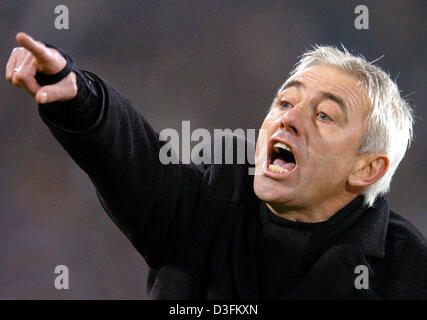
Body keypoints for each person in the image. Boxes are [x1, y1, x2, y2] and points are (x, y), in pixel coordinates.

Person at [6, 32, 427, 299]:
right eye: (285, 101)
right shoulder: (206, 204)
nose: (289, 118)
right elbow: (135, 159)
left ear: (366, 169)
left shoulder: (406, 273)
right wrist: (81, 99)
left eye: (324, 116)